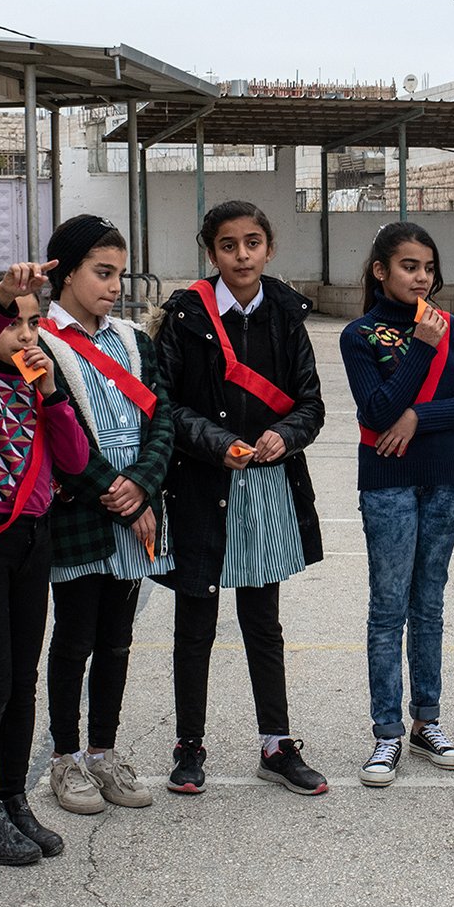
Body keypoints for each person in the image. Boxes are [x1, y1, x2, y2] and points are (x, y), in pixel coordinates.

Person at [154, 200, 328, 796]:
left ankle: (276, 744)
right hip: (203, 482)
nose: (242, 255)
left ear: (269, 247)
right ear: (211, 252)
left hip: (267, 483)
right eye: (228, 245)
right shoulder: (185, 315)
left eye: (253, 242)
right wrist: (218, 442)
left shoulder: (286, 313)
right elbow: (166, 405)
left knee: (263, 620)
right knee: (195, 619)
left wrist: (286, 434)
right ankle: (189, 745)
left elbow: (312, 403)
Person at [0, 264, 88, 865]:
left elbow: (77, 460)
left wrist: (53, 394)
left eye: (35, 323)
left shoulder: (40, 383)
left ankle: (12, 798)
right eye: (14, 322)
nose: (26, 334)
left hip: (35, 541)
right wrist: (0, 301)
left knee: (24, 678)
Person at [338, 222, 454, 787]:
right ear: (381, 271)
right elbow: (376, 412)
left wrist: (419, 418)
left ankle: (427, 721)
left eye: (427, 267)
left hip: (445, 479)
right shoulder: (360, 334)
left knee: (429, 604)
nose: (421, 277)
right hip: (387, 483)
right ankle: (386, 733)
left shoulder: (453, 327)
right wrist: (419, 351)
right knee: (388, 607)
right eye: (408, 266)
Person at [30, 217, 172, 815]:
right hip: (80, 510)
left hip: (134, 509)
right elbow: (50, 429)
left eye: (118, 273)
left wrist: (140, 487)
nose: (114, 285)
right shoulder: (36, 341)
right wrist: (111, 492)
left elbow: (163, 417)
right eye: (101, 272)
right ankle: (65, 757)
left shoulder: (136, 341)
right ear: (62, 273)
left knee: (118, 638)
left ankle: (104, 751)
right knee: (75, 636)